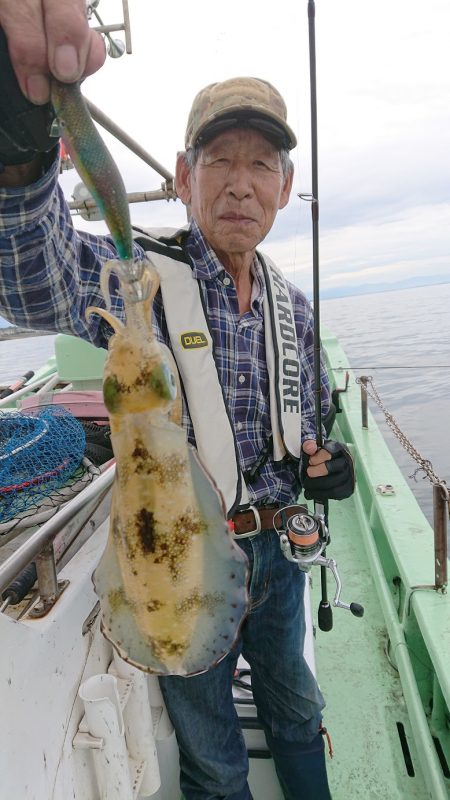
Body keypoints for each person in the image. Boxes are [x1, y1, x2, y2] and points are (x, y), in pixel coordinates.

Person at [0, 4, 354, 798]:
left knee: (297, 708)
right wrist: (22, 155)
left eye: (262, 164)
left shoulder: (293, 309)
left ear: (286, 186)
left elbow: (317, 424)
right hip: (183, 554)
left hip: (280, 555)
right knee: (213, 752)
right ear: (182, 176)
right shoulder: (142, 279)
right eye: (219, 158)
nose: (240, 182)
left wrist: (332, 467)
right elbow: (36, 278)